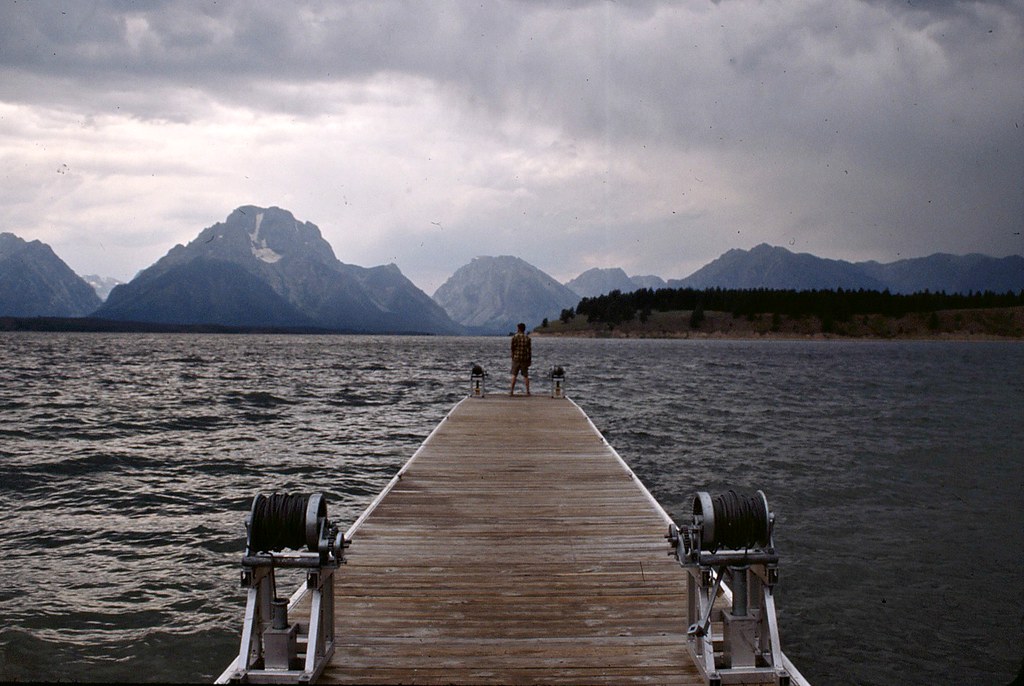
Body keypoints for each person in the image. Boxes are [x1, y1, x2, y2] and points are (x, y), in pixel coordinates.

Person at [509, 322, 531, 396]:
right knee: (526, 375)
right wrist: (529, 360)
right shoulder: (527, 338)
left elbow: (512, 348)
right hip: (524, 359)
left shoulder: (515, 337)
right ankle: (528, 391)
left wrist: (512, 356)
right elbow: (529, 350)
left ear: (518, 328)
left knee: (514, 375)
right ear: (524, 329)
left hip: (516, 358)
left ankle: (511, 391)